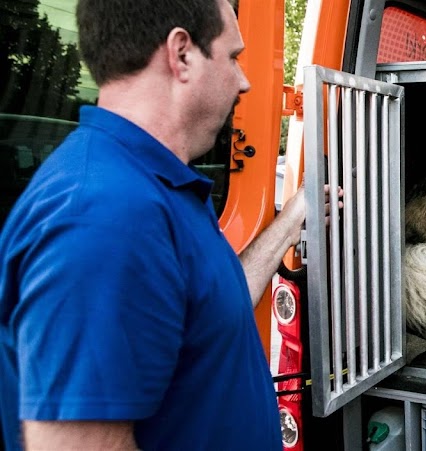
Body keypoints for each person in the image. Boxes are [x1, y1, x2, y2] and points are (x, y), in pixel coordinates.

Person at [0, 0, 322, 449]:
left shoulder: (157, 186)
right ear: (182, 54)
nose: (244, 81)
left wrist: (293, 218)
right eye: (233, 57)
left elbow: (210, 307)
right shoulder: (103, 216)